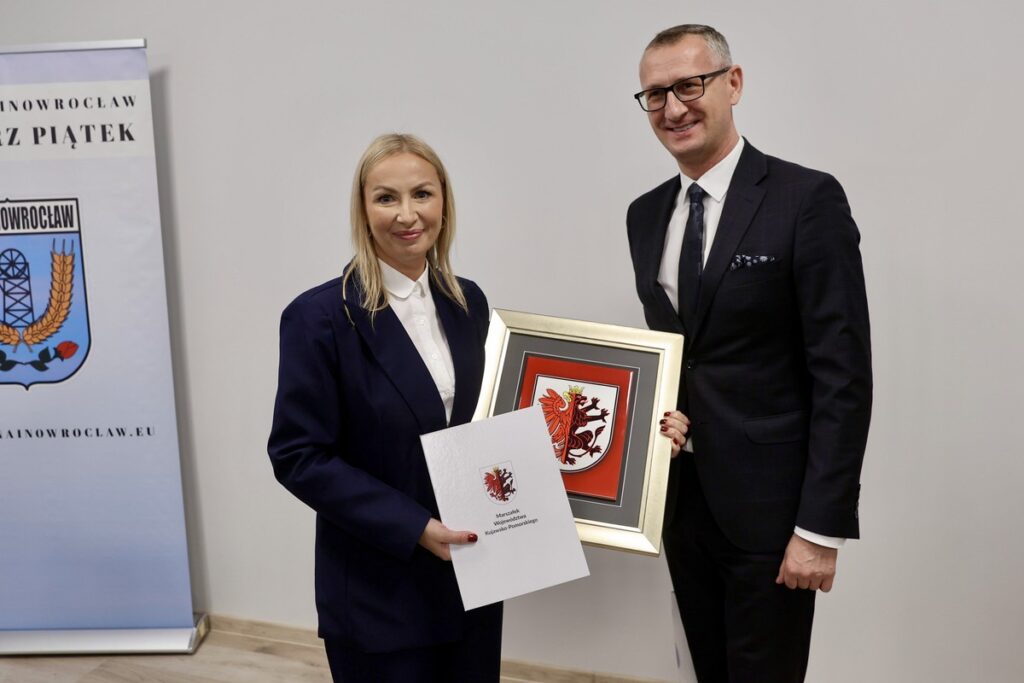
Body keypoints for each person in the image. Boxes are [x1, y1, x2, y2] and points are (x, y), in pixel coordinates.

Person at [625, 25, 872, 682]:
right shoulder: (644, 215)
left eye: (688, 85)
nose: (673, 108)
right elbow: (677, 354)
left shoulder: (806, 200)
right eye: (655, 95)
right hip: (682, 502)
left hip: (774, 512)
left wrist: (821, 528)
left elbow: (842, 373)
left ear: (732, 84)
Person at [268, 133, 501, 682]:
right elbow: (298, 455)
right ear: (362, 208)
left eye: (421, 194)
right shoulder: (318, 317)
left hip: (473, 576)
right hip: (380, 589)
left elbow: (488, 421)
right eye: (386, 198)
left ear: (443, 201)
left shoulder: (468, 301)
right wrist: (415, 526)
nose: (407, 215)